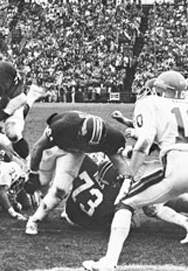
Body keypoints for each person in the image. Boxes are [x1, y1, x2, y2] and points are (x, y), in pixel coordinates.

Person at [82, 70, 188, 271]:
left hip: (177, 165)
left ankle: (109, 262)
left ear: (161, 89)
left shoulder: (151, 102)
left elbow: (145, 142)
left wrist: (129, 173)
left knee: (125, 204)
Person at [23, 110, 131, 235]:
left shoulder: (111, 137)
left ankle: (35, 220)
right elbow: (38, 147)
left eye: (92, 146)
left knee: (60, 190)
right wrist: (33, 173)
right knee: (41, 181)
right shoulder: (63, 126)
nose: (89, 148)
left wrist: (126, 185)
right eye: (86, 143)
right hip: (52, 147)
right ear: (80, 132)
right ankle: (42, 200)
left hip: (74, 153)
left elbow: (120, 163)